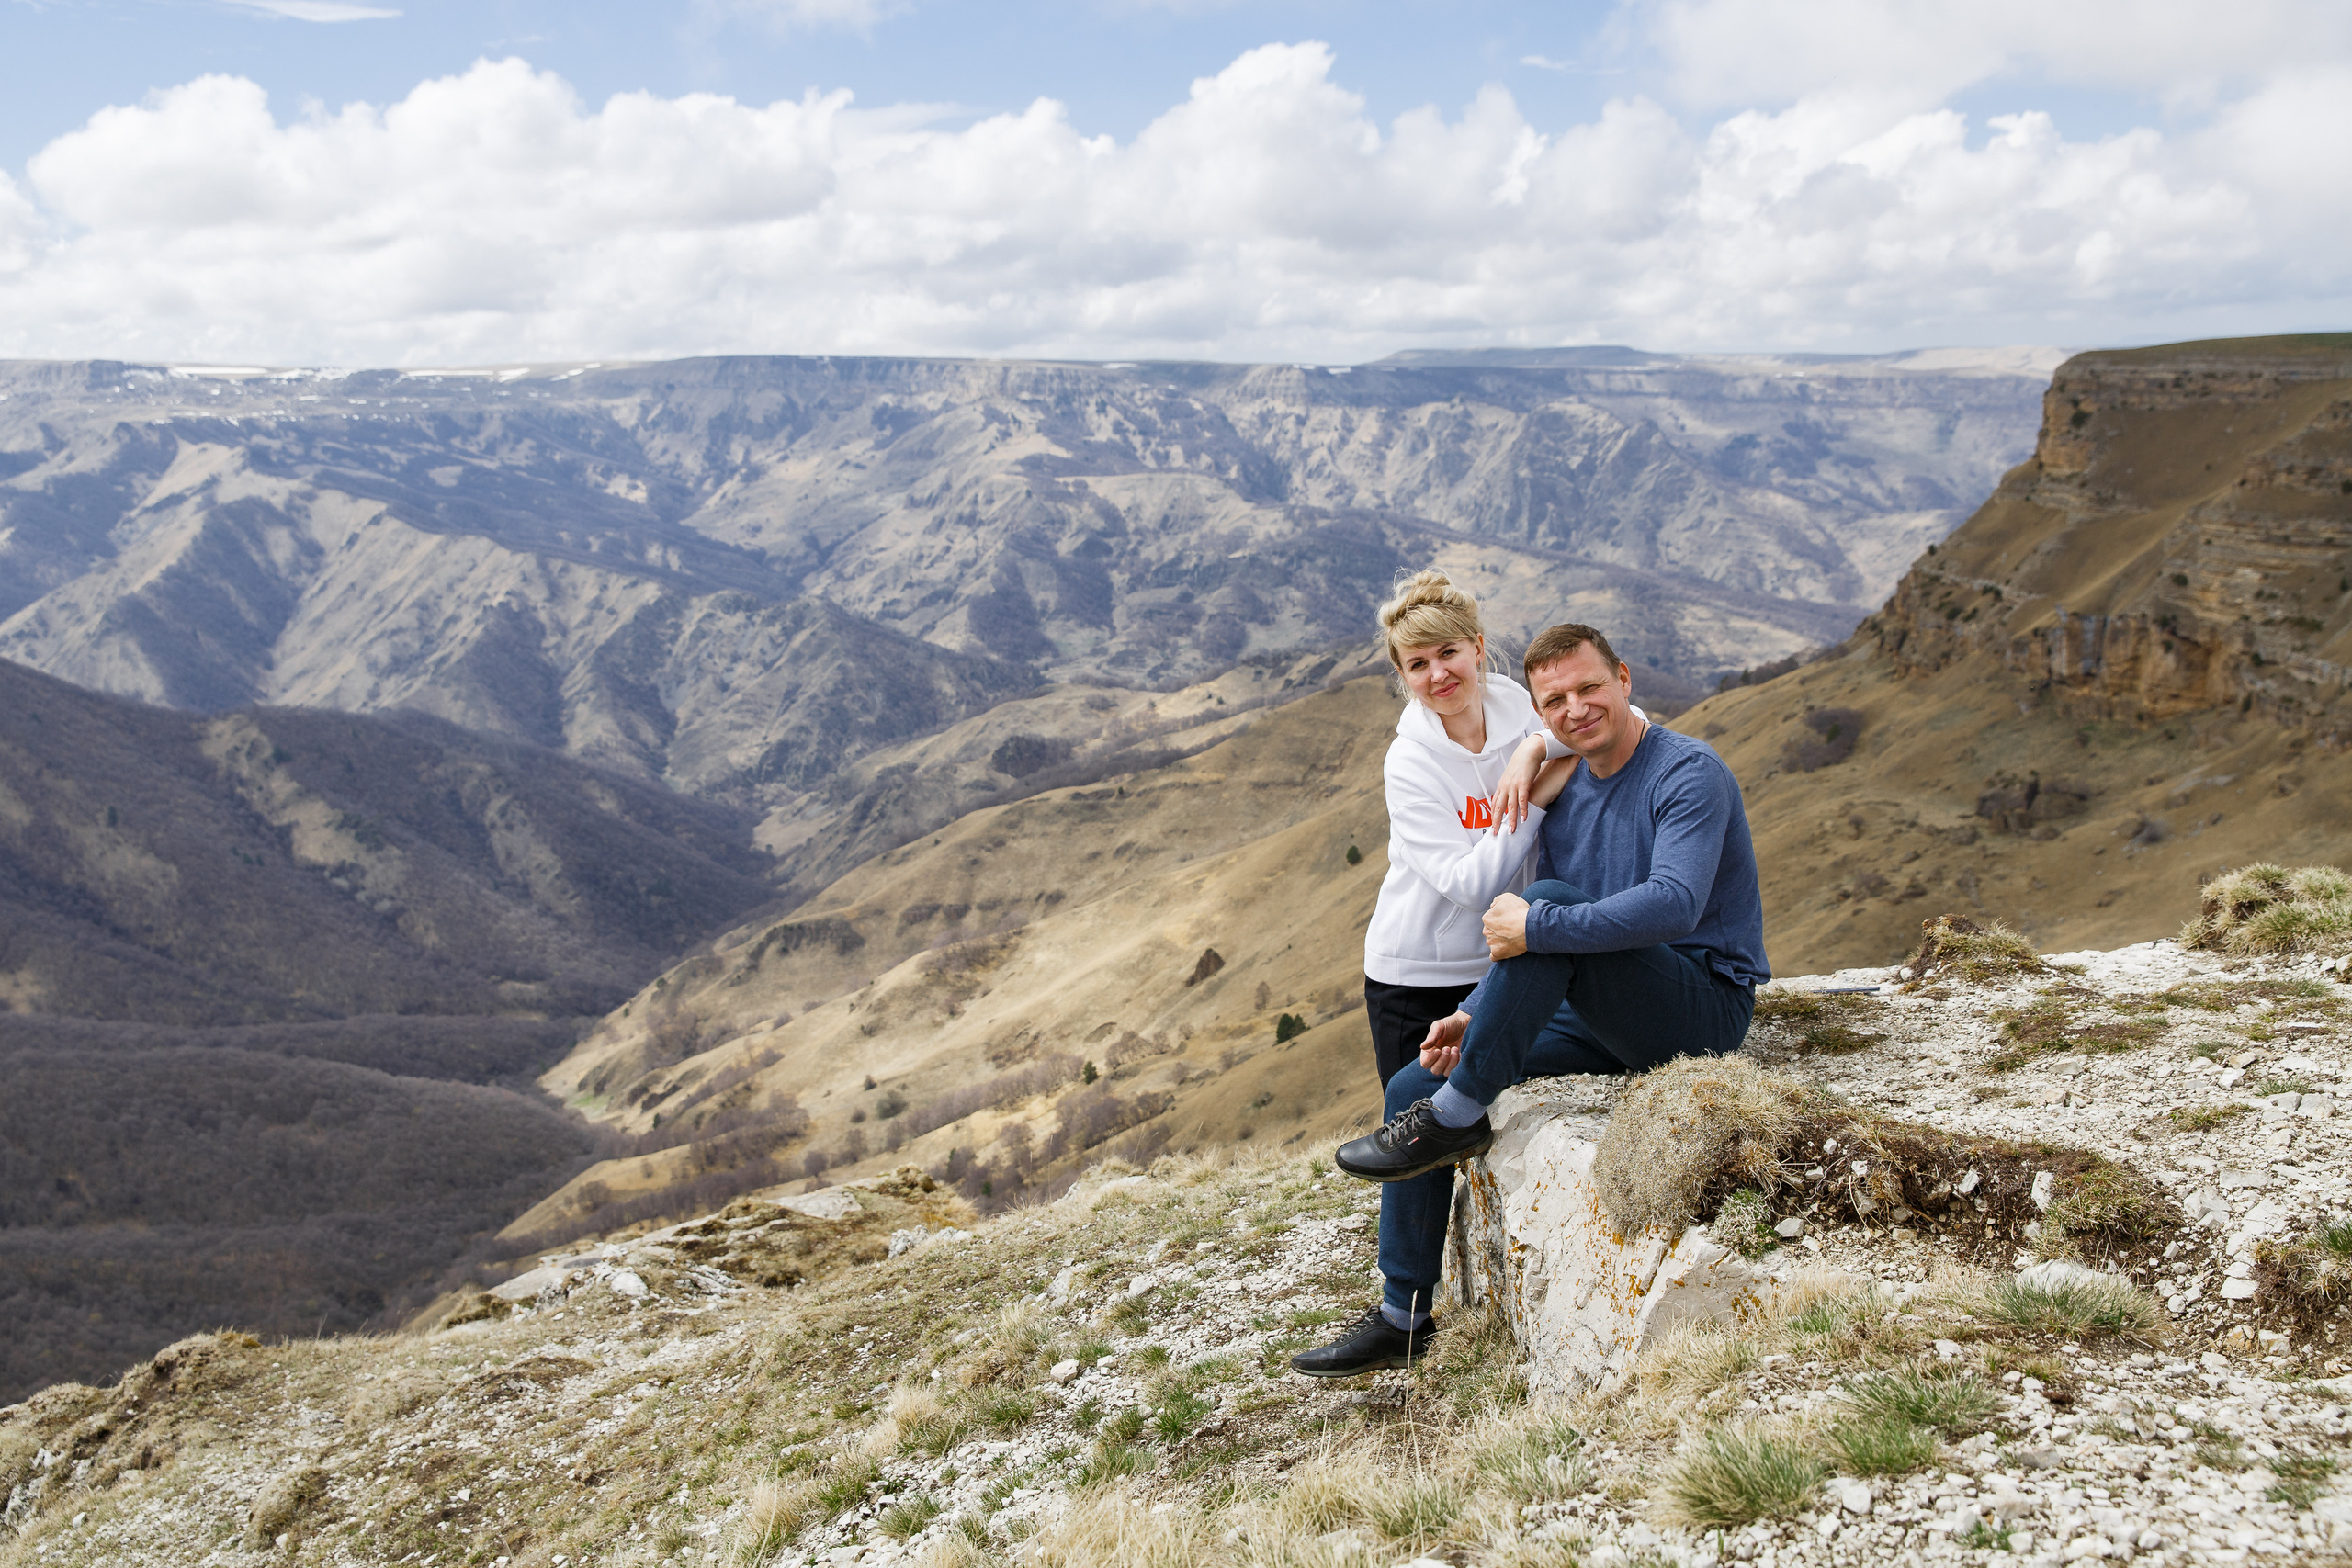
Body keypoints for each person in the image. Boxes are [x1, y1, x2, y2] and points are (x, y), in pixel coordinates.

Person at [1292, 621, 1767, 1379]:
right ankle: (1401, 1315)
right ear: (1539, 711)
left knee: (1541, 905)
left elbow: (1673, 905)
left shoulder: (1688, 772)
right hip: (1607, 1005)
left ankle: (1452, 1121)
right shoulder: (1568, 782)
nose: (1575, 709)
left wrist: (1539, 920)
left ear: (1625, 678)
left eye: (1589, 688)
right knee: (1418, 1082)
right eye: (1555, 700)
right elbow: (1548, 944)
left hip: (1696, 1007)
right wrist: (1475, 1011)